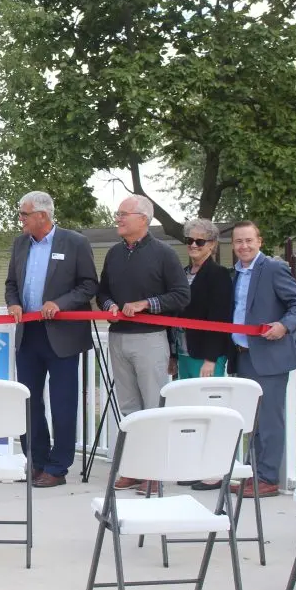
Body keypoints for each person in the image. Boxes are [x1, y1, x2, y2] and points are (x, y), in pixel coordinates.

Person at [96, 195, 190, 494]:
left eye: (124, 214)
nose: (118, 219)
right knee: (130, 409)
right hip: (118, 338)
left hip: (150, 339)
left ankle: (155, 471)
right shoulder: (113, 253)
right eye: (118, 214)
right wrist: (110, 304)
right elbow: (102, 292)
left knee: (153, 407)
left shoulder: (164, 253)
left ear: (143, 219)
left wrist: (146, 304)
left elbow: (181, 295)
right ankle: (135, 469)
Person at [5, 191, 98, 488]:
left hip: (62, 336)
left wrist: (61, 303)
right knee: (28, 402)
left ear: (42, 216)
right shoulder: (20, 244)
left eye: (24, 214)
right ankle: (37, 461)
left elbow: (89, 285)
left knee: (62, 403)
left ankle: (58, 467)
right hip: (28, 334)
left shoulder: (75, 243)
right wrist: (13, 304)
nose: (20, 219)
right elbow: (10, 284)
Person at [228, 220, 296, 498]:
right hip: (243, 355)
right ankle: (254, 474)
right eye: (238, 241)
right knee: (253, 420)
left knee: (270, 419)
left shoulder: (273, 268)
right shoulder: (235, 273)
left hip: (270, 356)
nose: (244, 246)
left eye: (249, 240)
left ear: (259, 241)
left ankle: (268, 478)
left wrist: (284, 326)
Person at [169, 219, 233, 382]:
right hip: (183, 351)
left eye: (200, 241)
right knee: (187, 405)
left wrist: (210, 359)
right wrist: (173, 355)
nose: (194, 245)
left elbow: (220, 318)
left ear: (212, 245)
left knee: (207, 405)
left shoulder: (219, 274)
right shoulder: (182, 273)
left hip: (206, 356)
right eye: (190, 240)